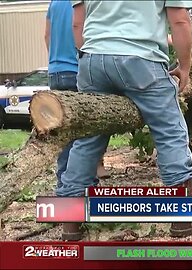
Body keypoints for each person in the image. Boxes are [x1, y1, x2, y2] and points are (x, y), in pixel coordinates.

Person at [58, 0, 192, 240]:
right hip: (141, 59)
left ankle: (70, 222)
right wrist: (184, 66)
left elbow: (77, 23)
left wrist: (93, 57)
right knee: (169, 130)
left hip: (93, 60)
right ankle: (183, 216)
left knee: (88, 138)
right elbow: (180, 20)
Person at [44, 0, 108, 202]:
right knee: (87, 133)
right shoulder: (85, 2)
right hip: (78, 69)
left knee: (65, 134)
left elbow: (47, 36)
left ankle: (64, 187)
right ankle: (85, 190)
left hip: (55, 72)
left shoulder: (54, 3)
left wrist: (57, 62)